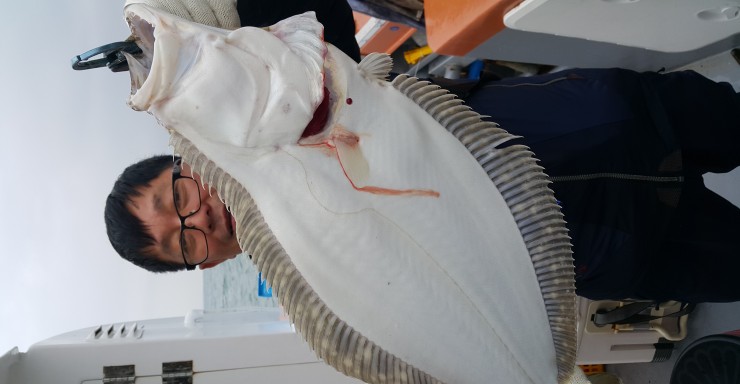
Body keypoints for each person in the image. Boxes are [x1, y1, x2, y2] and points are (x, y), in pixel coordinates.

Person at [106, 65, 740, 303]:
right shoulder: (318, 291)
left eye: (177, 198)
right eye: (184, 242)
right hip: (619, 247)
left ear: (186, 163)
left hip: (604, 118)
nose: (199, 219)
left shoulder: (279, 108)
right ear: (206, 263)